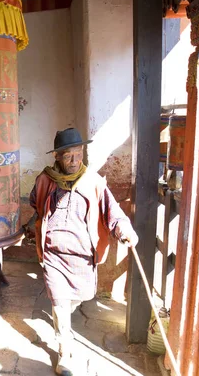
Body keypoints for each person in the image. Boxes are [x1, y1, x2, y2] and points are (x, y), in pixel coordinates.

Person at [29, 128, 138, 376]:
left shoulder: (93, 181)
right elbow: (35, 202)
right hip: (53, 255)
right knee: (59, 300)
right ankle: (64, 350)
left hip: (82, 256)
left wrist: (124, 229)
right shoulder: (45, 180)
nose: (75, 160)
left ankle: (64, 316)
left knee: (80, 296)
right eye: (69, 156)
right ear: (57, 156)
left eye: (79, 154)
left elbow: (113, 212)